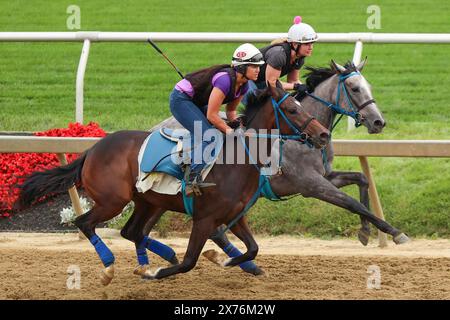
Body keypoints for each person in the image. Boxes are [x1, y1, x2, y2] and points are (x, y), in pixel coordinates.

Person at [169, 43, 264, 196]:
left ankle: (189, 158)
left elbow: (231, 111)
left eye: (258, 66)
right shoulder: (225, 80)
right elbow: (212, 115)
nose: (258, 70)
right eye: (254, 66)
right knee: (209, 135)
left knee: (214, 131)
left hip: (196, 101)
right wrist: (229, 131)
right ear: (241, 67)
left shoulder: (244, 85)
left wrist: (239, 127)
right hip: (181, 99)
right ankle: (190, 180)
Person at [243, 16, 318, 104]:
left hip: (262, 81)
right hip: (245, 78)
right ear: (294, 44)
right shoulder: (279, 54)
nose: (311, 47)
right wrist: (296, 87)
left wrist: (308, 90)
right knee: (257, 105)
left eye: (312, 43)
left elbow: (292, 80)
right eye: (306, 44)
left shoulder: (299, 57)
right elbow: (272, 84)